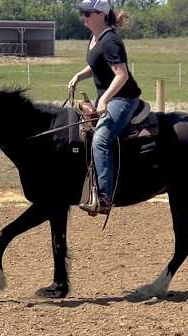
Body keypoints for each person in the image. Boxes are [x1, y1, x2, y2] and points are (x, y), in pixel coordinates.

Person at [69, 0, 142, 215]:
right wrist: (79, 76)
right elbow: (97, 64)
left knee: (101, 139)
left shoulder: (110, 40)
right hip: (108, 97)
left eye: (87, 13)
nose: (84, 17)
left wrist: (105, 100)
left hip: (124, 99)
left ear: (100, 14)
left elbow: (122, 74)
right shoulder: (95, 38)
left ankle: (104, 196)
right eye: (83, 13)